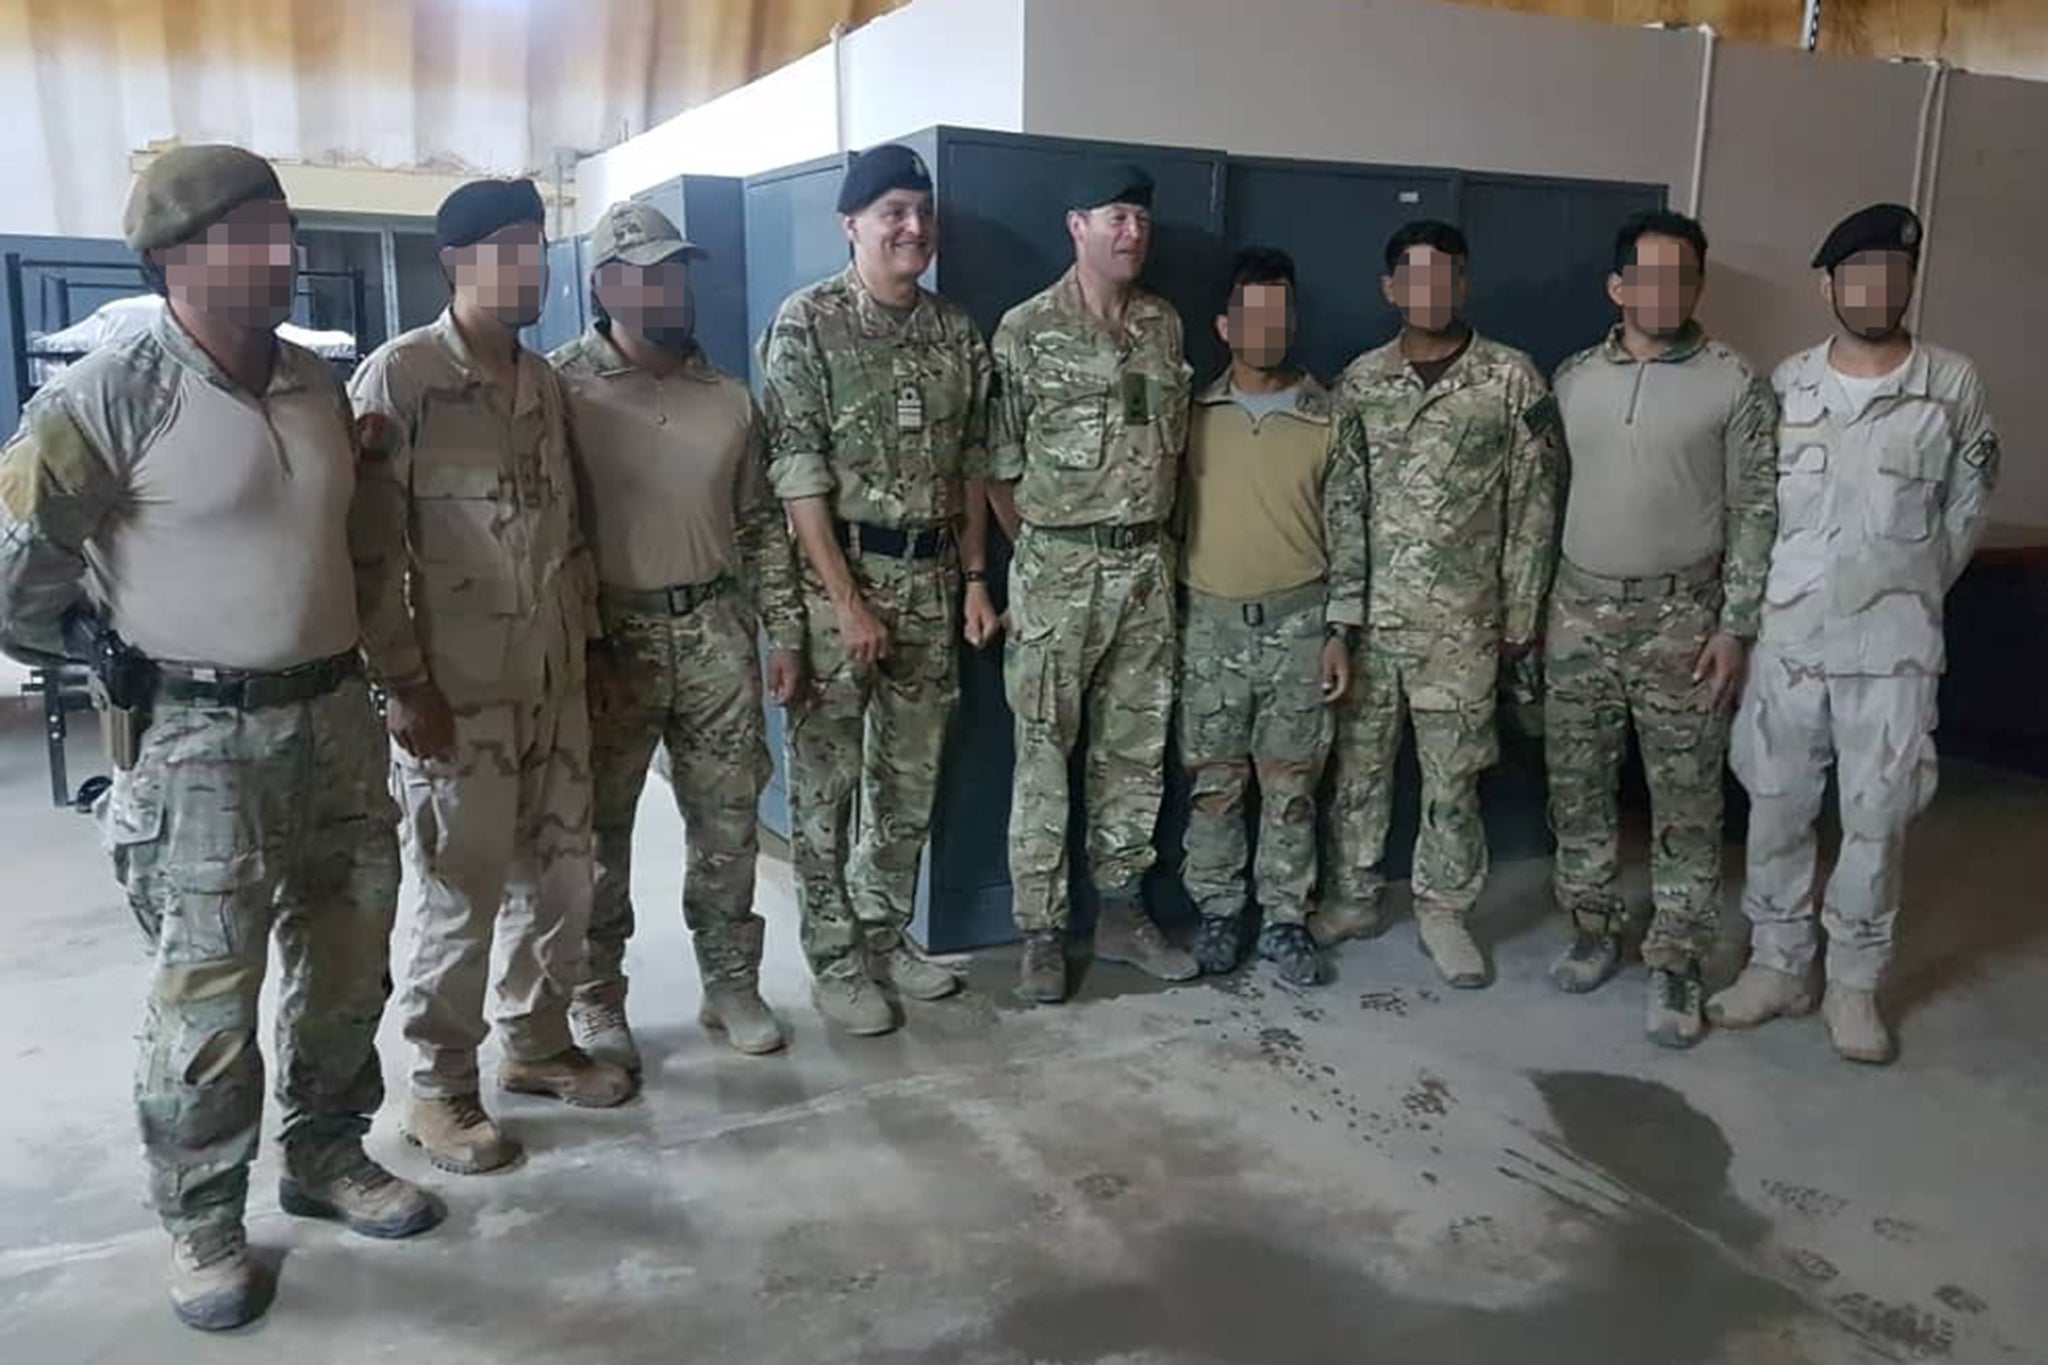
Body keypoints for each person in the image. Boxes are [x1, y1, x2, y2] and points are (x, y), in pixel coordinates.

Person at [0, 145, 438, 1331]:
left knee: (350, 964)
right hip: (198, 743)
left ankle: (327, 1155)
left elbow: (354, 548)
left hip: (336, 720)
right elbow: (11, 581)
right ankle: (202, 1223)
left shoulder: (309, 385)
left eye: (285, 227)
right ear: (178, 257)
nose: (283, 251)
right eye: (255, 232)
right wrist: (104, 650)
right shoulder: (104, 397)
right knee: (206, 1006)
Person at [350, 177, 632, 1177]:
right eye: (510, 247)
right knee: (461, 891)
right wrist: (401, 684)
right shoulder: (402, 380)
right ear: (456, 261)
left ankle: (535, 1043)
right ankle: (438, 1088)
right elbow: (371, 555)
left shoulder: (543, 384)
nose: (530, 267)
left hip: (550, 678)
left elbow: (570, 534)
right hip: (454, 696)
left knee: (559, 875)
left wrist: (592, 646)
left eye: (539, 246)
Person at [1709, 203, 1999, 1064]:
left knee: (1877, 821)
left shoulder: (1950, 384)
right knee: (1776, 811)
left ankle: (1854, 985)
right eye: (1857, 273)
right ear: (1827, 285)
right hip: (1789, 644)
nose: (1876, 287)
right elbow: (1755, 513)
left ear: (1909, 283)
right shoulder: (1788, 384)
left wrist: (1895, 595)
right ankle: (1777, 965)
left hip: (1893, 655)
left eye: (1892, 272)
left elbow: (1964, 518)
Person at [550, 201, 806, 1065]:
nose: (668, 287)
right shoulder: (559, 390)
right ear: (603, 284)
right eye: (647, 273)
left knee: (728, 822)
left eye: (675, 271)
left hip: (715, 631)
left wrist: (786, 632)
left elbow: (763, 521)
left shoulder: (728, 395)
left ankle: (730, 981)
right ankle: (596, 993)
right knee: (597, 832)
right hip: (608, 636)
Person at [758, 144, 996, 1036]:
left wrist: (975, 575)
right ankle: (831, 958)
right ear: (850, 224)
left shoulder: (954, 333)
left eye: (922, 212)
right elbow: (796, 471)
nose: (913, 228)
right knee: (825, 788)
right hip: (839, 586)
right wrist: (848, 601)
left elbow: (972, 464)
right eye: (893, 210)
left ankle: (884, 931)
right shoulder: (806, 323)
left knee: (909, 779)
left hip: (934, 579)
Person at [1544, 210, 1778, 1047]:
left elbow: (1757, 507)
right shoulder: (1573, 378)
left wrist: (1737, 624)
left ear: (1698, 286)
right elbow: (1547, 499)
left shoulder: (1733, 381)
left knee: (1686, 799)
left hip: (1686, 618)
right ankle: (1593, 924)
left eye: (1683, 276)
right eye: (1647, 276)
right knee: (1578, 784)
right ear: (1617, 287)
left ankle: (1677, 956)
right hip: (1576, 609)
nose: (1665, 291)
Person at [1318, 220, 1561, 988]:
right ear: (1390, 289)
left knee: (1454, 777)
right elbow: (1342, 505)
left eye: (1445, 276)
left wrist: (1522, 615)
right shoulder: (1359, 382)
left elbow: (1536, 502)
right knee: (1358, 769)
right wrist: (1343, 616)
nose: (1429, 292)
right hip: (1374, 624)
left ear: (1464, 284)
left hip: (1465, 621)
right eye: (1413, 278)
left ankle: (1444, 910)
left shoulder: (1512, 379)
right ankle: (1355, 896)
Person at [986, 163, 1197, 1004]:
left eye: (1141, 218)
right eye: (1116, 217)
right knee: (1043, 753)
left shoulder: (1164, 326)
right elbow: (995, 466)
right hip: (1058, 565)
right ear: (1077, 225)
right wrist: (1039, 552)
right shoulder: (1026, 330)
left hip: (1147, 565)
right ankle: (1040, 929)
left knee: (1135, 751)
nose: (1132, 233)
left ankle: (1120, 911)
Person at [1174, 247, 1365, 986]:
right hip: (1210, 626)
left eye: (1279, 314)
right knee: (1215, 783)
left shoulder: (1328, 417)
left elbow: (1350, 530)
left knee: (1290, 786)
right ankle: (1220, 913)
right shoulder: (1194, 415)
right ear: (1225, 326)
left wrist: (1339, 630)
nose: (1267, 328)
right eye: (1251, 315)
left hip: (1299, 625)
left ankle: (1285, 920)